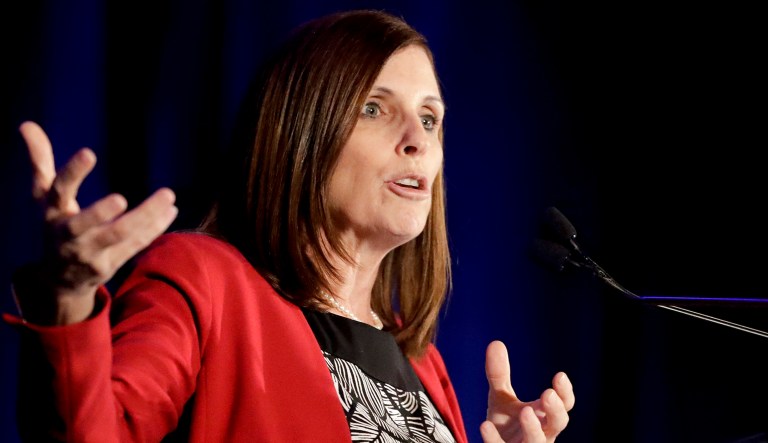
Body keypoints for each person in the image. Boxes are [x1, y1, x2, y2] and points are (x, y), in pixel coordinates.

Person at [5, 9, 574, 443]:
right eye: (375, 108)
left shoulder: (423, 362)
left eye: (430, 118)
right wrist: (68, 304)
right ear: (301, 133)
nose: (418, 140)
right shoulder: (206, 280)